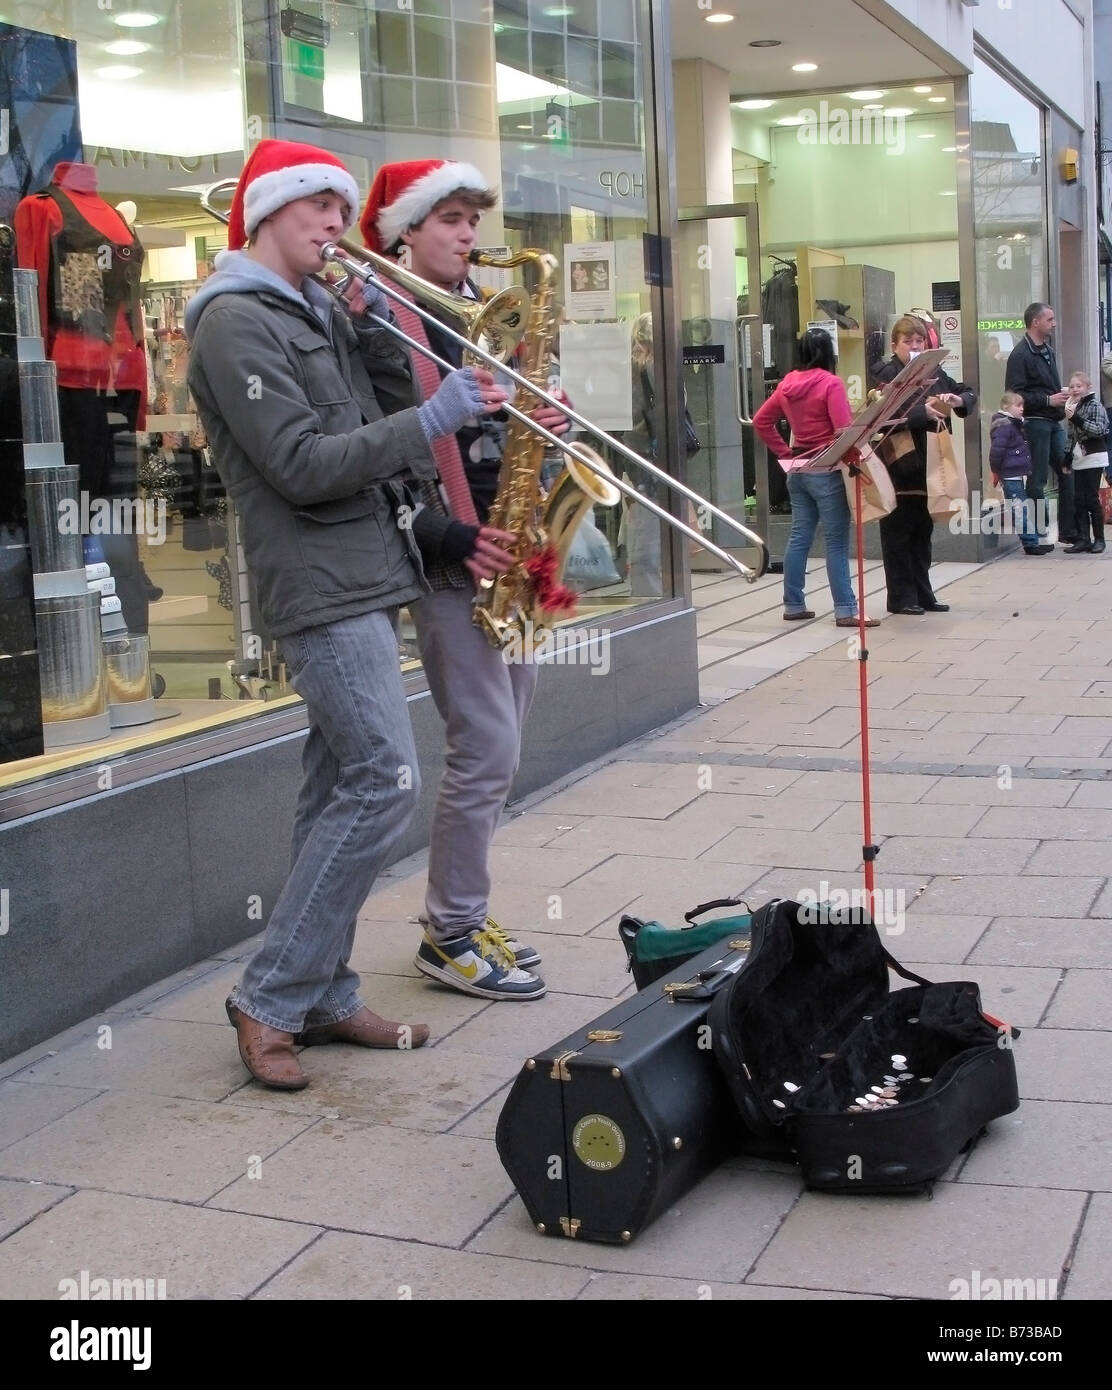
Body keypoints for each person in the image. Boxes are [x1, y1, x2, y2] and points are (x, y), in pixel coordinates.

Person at [185, 140, 508, 1088]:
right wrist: (437, 417)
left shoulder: (315, 309)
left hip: (367, 571)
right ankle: (273, 993)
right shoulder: (234, 322)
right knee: (383, 781)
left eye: (339, 207)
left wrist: (370, 332)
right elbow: (301, 463)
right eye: (317, 208)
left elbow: (370, 413)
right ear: (266, 217)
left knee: (336, 792)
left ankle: (323, 990)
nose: (337, 224)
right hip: (316, 583)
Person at [359, 158, 571, 1001]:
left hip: (511, 544)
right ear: (407, 230)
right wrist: (452, 536)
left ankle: (464, 912)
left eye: (472, 221)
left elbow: (499, 430)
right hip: (451, 558)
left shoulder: (482, 317)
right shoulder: (384, 326)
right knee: (483, 748)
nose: (469, 236)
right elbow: (380, 460)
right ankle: (448, 932)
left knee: (504, 744)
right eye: (449, 219)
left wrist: (541, 418)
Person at [753, 327, 878, 628]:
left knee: (799, 537)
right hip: (826, 469)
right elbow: (843, 431)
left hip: (798, 469)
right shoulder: (830, 383)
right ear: (830, 354)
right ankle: (846, 609)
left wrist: (785, 453)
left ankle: (793, 604)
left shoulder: (786, 385)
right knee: (836, 541)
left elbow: (760, 421)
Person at [872, 315, 976, 613]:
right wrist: (923, 412)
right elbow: (883, 415)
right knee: (898, 532)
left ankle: (923, 592)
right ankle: (901, 597)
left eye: (919, 341)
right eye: (908, 342)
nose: (914, 347)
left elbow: (967, 392)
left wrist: (956, 399)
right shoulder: (887, 373)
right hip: (900, 462)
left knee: (922, 531)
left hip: (931, 462)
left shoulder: (936, 371)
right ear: (895, 345)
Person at [1004, 302, 1072, 545]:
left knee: (1067, 471)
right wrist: (1047, 399)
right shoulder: (1020, 354)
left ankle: (1067, 529)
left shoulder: (1048, 351)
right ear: (1036, 322)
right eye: (1049, 319)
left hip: (1053, 421)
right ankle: (1039, 533)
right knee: (1037, 480)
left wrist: (1061, 395)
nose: (1054, 323)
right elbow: (1013, 394)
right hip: (1035, 423)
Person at [1062, 370, 1110, 554]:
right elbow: (1071, 435)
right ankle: (1083, 539)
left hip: (1094, 457)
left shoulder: (1094, 405)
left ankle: (1099, 539)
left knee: (1090, 498)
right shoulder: (1072, 406)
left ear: (1088, 387)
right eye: (1072, 386)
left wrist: (1076, 418)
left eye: (1079, 386)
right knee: (1078, 499)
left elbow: (1098, 430)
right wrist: (1066, 458)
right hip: (1079, 459)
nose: (1075, 389)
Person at [988, 392, 1042, 553]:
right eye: (1018, 405)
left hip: (1016, 474)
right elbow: (996, 452)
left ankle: (1032, 540)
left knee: (1021, 507)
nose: (1022, 409)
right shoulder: (1005, 425)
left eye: (1022, 405)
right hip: (1010, 475)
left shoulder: (1014, 424)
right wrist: (996, 471)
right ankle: (1030, 543)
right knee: (1020, 509)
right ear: (1006, 407)